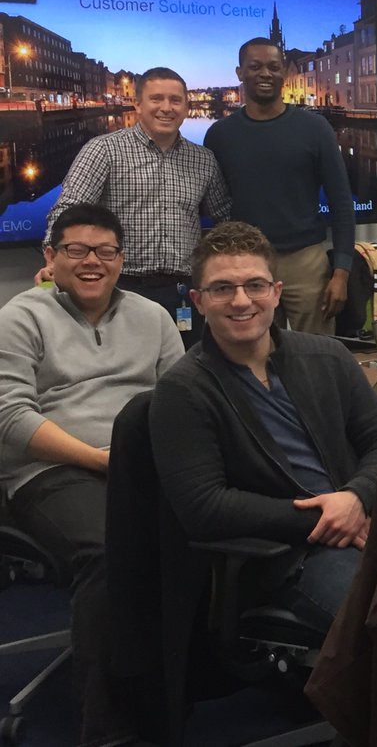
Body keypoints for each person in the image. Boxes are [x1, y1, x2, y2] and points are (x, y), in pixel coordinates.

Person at [148, 221, 377, 630]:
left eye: (255, 285)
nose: (241, 300)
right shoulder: (182, 392)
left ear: (276, 292)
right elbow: (205, 508)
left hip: (366, 521)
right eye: (222, 288)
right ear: (198, 300)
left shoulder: (329, 356)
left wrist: (356, 497)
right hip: (285, 555)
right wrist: (330, 517)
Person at [0, 203, 184, 745]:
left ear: (121, 261)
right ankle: (107, 728)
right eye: (76, 250)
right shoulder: (20, 316)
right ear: (50, 257)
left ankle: (184, 686)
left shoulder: (152, 316)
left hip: (143, 465)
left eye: (105, 252)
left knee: (211, 523)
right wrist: (102, 458)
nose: (91, 262)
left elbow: (180, 402)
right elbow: (10, 415)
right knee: (112, 549)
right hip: (51, 472)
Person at [42, 66, 231, 347]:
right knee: (122, 375)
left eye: (175, 100)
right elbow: (67, 212)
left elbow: (224, 217)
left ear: (186, 106)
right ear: (138, 104)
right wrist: (52, 262)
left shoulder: (203, 160)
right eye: (156, 99)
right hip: (118, 289)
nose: (166, 108)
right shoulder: (103, 150)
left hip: (183, 291)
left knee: (185, 374)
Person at [204, 38, 356, 335]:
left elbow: (341, 203)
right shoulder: (220, 135)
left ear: (284, 73)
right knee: (251, 354)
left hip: (306, 262)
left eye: (274, 67)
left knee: (316, 356)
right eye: (255, 66)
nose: (265, 74)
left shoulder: (315, 129)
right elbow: (214, 204)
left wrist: (341, 273)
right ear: (239, 73)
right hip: (246, 265)